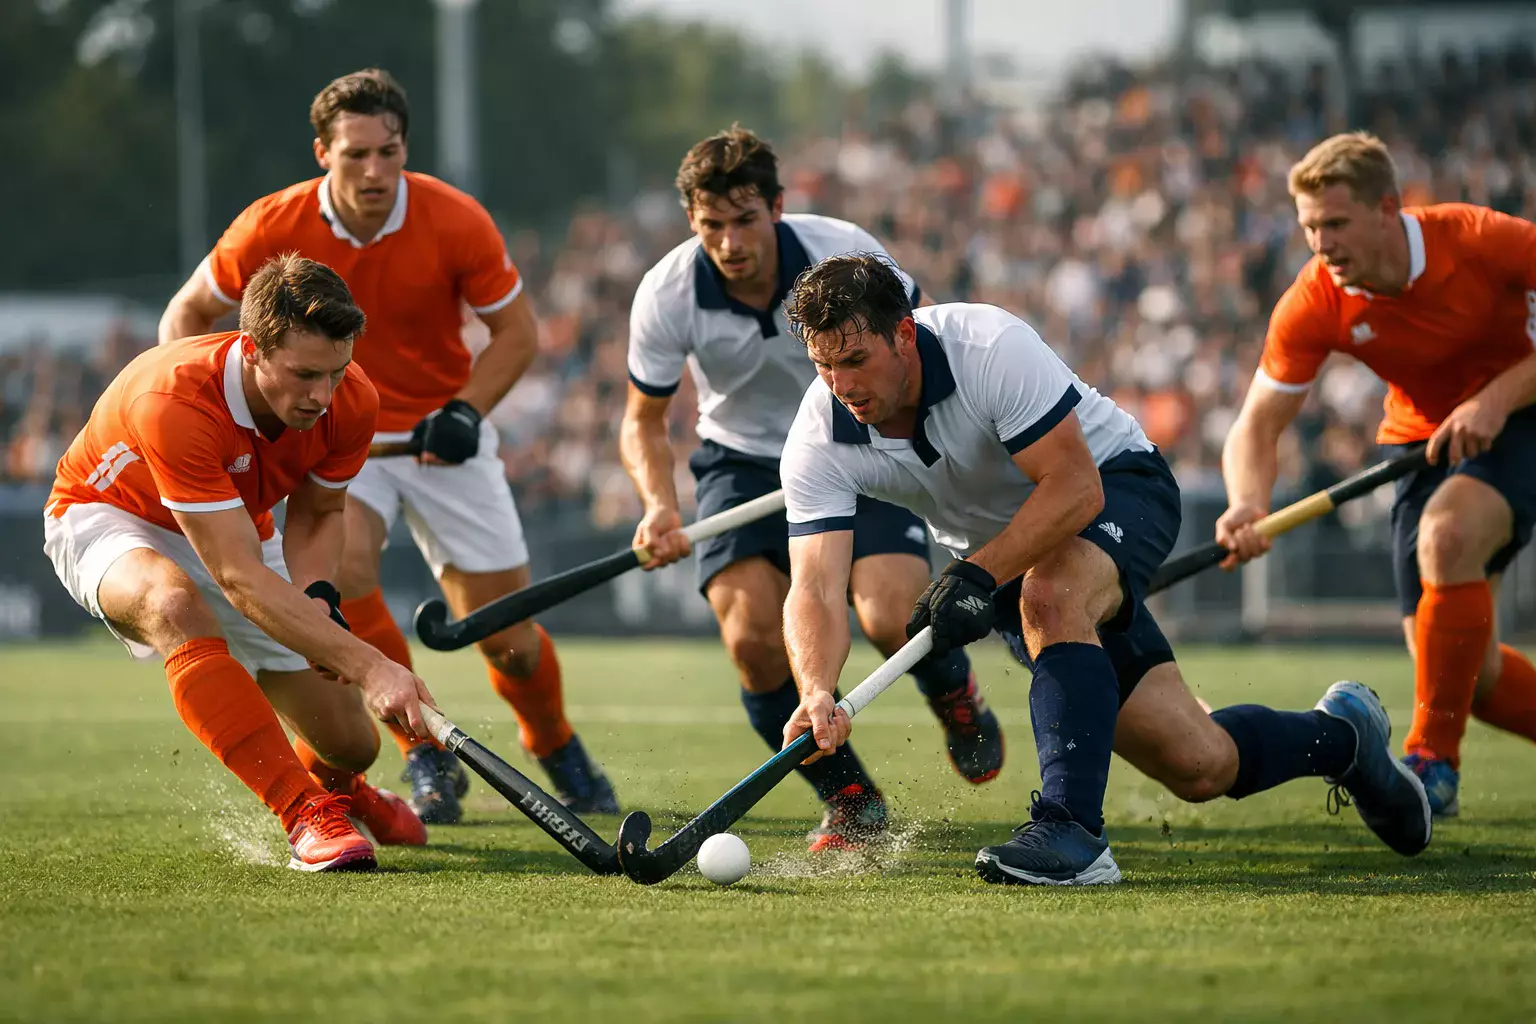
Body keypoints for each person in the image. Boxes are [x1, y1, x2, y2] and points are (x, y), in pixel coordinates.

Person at [777, 253, 1432, 886]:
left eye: (856, 360)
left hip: (1115, 487)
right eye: (824, 365)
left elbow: (1073, 488)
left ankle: (1073, 834)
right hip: (1003, 564)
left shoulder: (988, 347)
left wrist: (977, 574)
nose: (843, 386)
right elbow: (815, 585)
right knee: (1200, 765)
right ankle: (1344, 740)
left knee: (1051, 595)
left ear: (903, 335)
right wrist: (816, 689)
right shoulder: (819, 434)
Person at [158, 68, 616, 823]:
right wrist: (208, 408)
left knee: (507, 639)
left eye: (389, 153)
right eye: (356, 155)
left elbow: (519, 334)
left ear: (406, 148)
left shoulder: (455, 218)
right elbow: (185, 316)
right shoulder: (270, 224)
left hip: (444, 440)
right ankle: (423, 753)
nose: (375, 172)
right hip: (335, 434)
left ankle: (555, 741)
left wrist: (467, 410)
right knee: (346, 571)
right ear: (322, 153)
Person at [620, 127, 1004, 853]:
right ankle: (851, 799)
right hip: (740, 463)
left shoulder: (846, 254)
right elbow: (642, 420)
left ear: (778, 208)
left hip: (858, 440)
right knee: (754, 643)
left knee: (895, 613)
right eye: (711, 226)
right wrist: (659, 504)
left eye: (745, 220)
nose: (730, 243)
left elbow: (920, 349)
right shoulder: (668, 293)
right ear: (692, 223)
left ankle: (953, 690)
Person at [45, 254, 435, 872]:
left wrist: (318, 600)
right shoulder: (173, 401)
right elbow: (236, 577)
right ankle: (303, 813)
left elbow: (315, 514)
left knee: (351, 743)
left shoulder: (350, 398)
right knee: (174, 603)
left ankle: (341, 791)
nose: (321, 396)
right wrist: (369, 665)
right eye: (304, 374)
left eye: (335, 372)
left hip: (231, 526)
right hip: (109, 517)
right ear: (252, 348)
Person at [1219, 131, 1536, 818]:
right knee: (1461, 675)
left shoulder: (1480, 238)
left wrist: (1499, 397)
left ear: (1388, 209)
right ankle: (1438, 734)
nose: (1320, 243)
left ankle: (1430, 765)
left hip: (1523, 412)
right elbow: (1256, 425)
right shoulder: (1316, 298)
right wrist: (1247, 502)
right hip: (1419, 442)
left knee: (1447, 537)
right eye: (1309, 227)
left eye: (1336, 223)